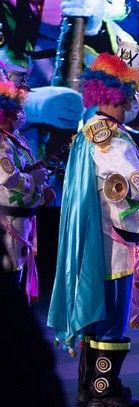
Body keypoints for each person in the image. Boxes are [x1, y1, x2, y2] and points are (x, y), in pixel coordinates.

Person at [47, 44, 139, 406]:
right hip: (113, 243)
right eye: (133, 93)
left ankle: (95, 387)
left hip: (105, 238)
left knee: (102, 314)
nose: (136, 101)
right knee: (110, 319)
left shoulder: (97, 129)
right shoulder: (111, 139)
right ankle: (102, 390)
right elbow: (138, 186)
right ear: (120, 94)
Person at [0, 70, 54, 303]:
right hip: (8, 221)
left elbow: (27, 169)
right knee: (10, 275)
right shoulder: (2, 141)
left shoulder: (16, 138)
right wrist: (35, 180)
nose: (22, 113)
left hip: (23, 221)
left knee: (18, 273)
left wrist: (42, 190)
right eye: (17, 108)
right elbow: (8, 177)